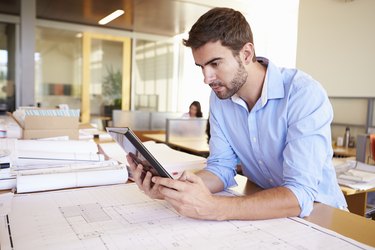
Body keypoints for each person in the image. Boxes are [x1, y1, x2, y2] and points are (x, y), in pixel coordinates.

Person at [127, 7, 347, 220]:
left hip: (322, 215)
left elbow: (299, 194)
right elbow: (220, 168)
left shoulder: (303, 94)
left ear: (247, 53)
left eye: (215, 63)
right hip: (269, 212)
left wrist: (214, 207)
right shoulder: (220, 99)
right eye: (201, 66)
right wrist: (172, 189)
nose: (207, 78)